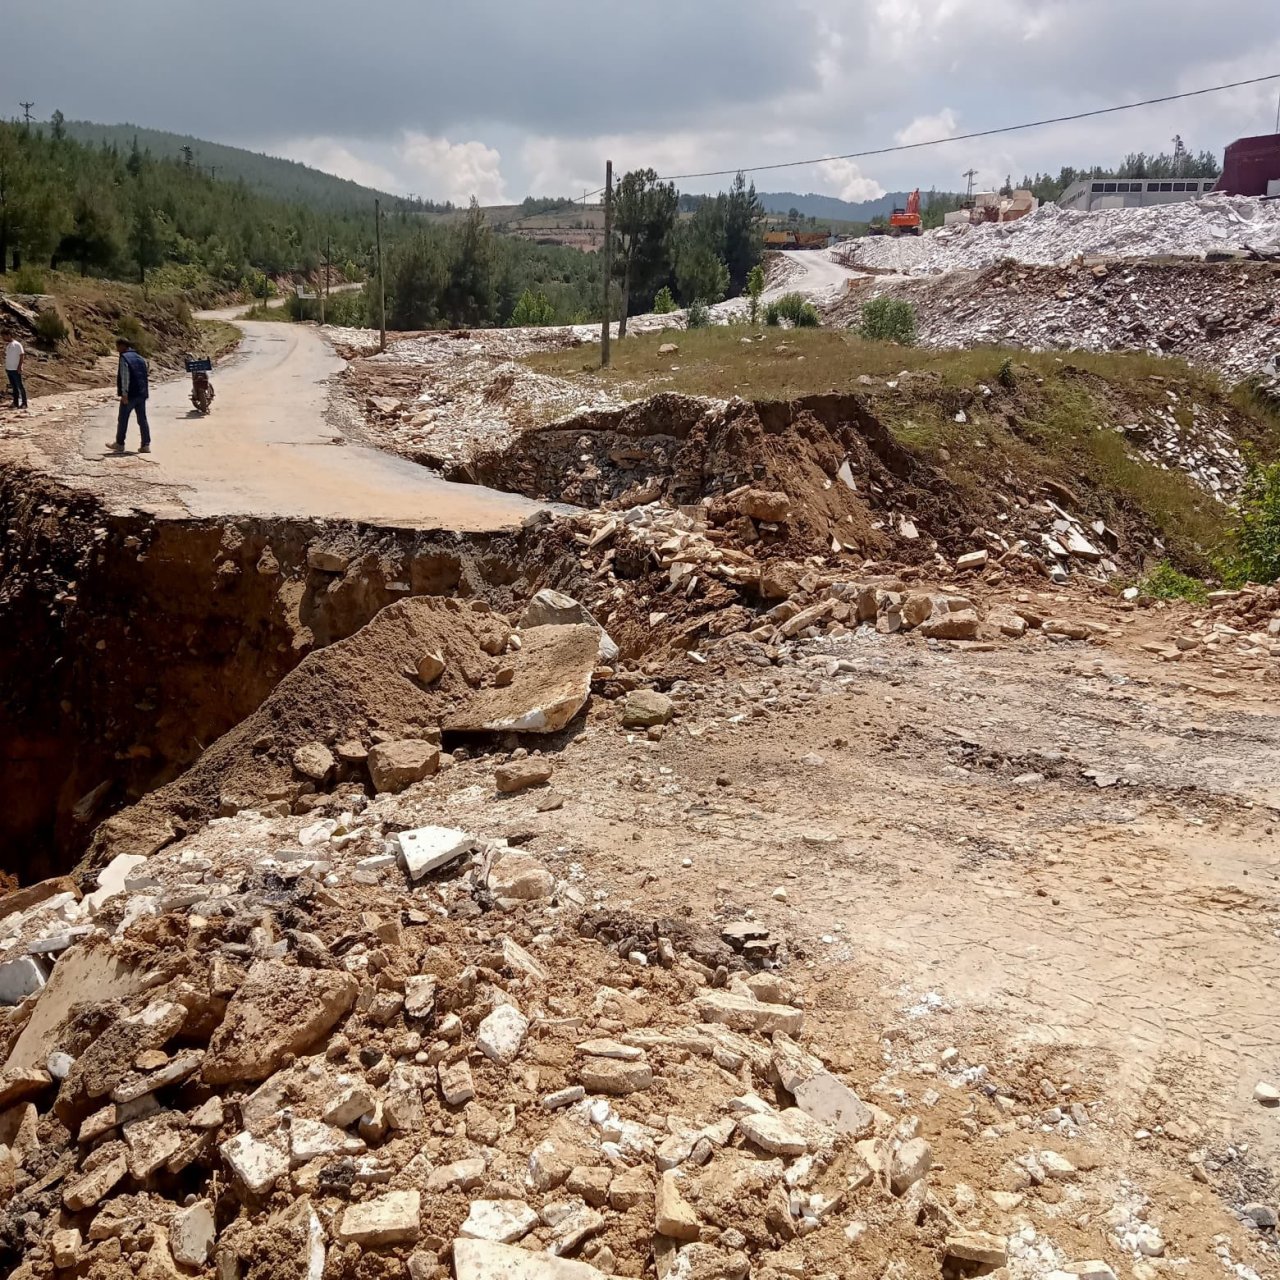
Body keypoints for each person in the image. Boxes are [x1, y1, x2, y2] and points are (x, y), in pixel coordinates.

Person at [109, 337, 150, 454]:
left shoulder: (124, 358)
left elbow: (125, 377)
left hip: (130, 394)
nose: (117, 349)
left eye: (117, 346)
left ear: (122, 346)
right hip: (141, 393)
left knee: (123, 419)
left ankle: (120, 444)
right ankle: (146, 445)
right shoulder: (140, 358)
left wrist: (124, 393)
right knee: (142, 419)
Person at [3, 331, 27, 410]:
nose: (3, 338)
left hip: (15, 369)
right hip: (9, 369)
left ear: (9, 335)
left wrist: (20, 366)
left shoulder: (17, 344)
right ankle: (15, 403)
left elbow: (22, 355)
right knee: (14, 387)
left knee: (20, 386)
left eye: (4, 336)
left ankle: (24, 403)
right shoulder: (8, 345)